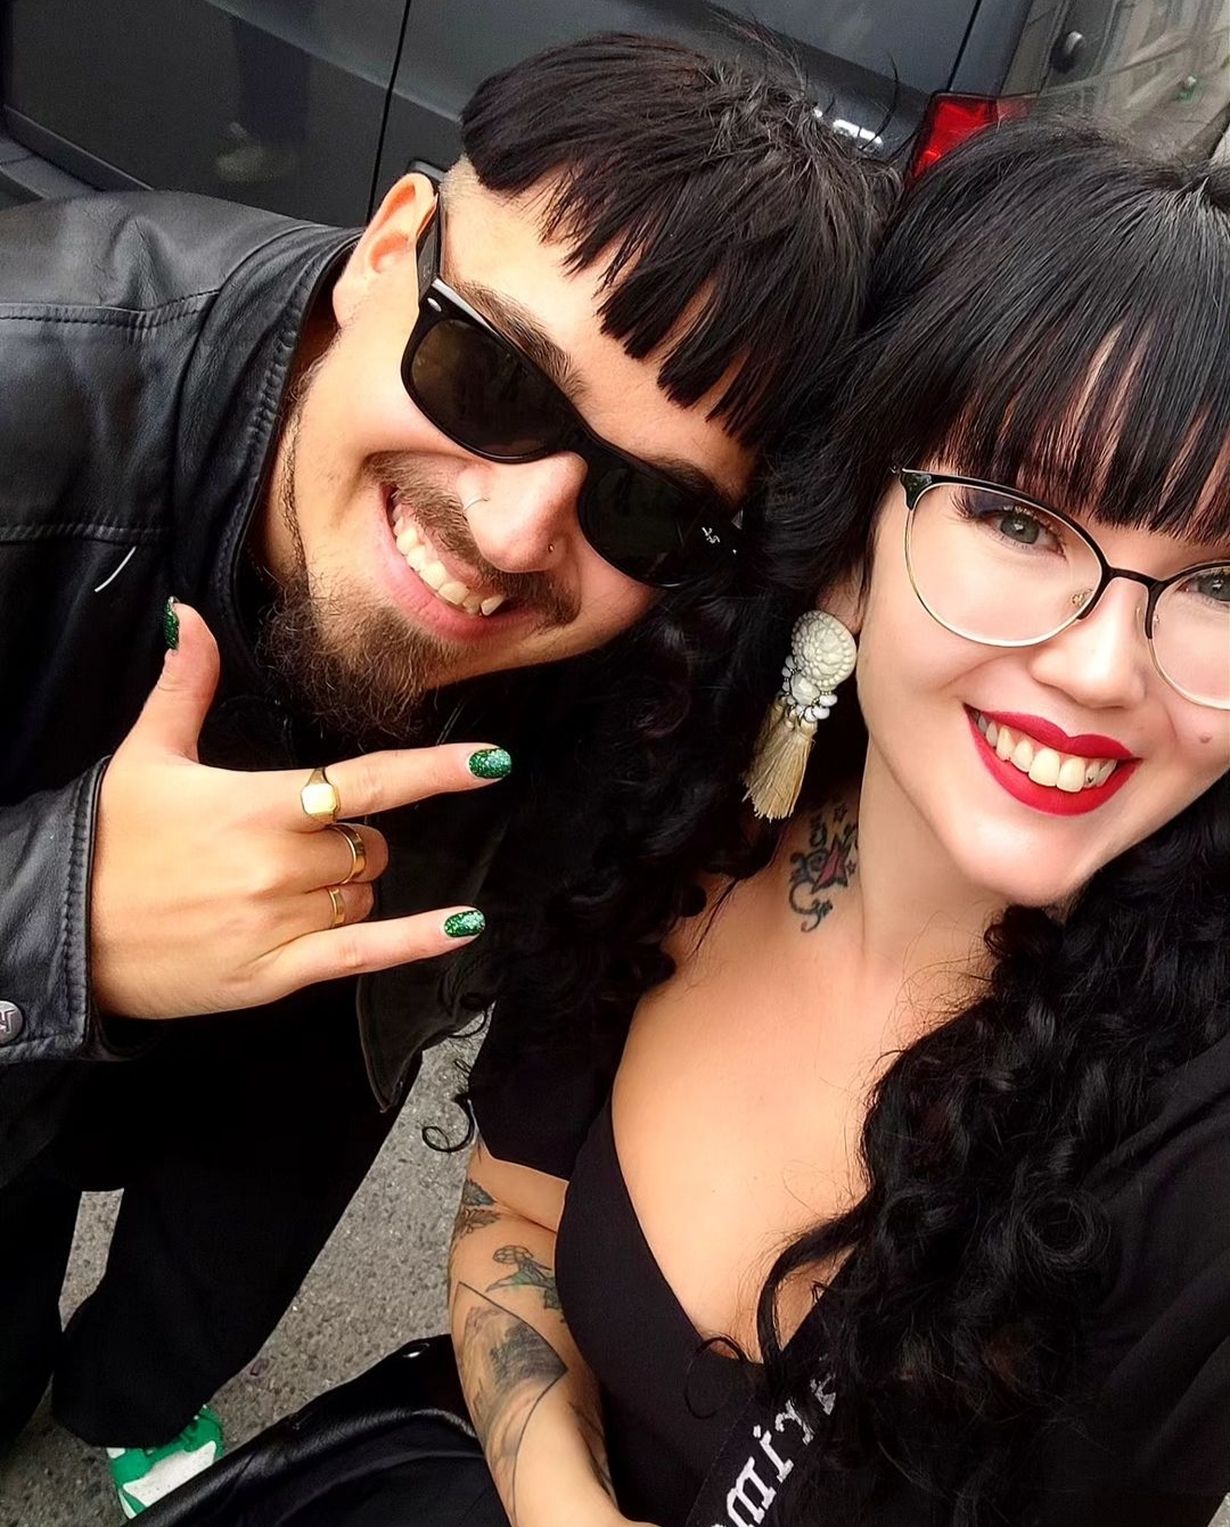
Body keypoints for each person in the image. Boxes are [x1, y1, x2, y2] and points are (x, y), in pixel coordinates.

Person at [0, 32, 891, 1519]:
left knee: (222, 1258)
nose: (518, 529)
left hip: (339, 1006)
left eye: (641, 505)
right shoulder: (33, 399)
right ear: (386, 248)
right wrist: (62, 920)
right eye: (491, 377)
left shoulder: (669, 614)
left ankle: (131, 1405)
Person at [451, 121, 1230, 1527]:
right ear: (849, 545)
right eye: (1016, 518)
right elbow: (513, 1214)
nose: (1103, 668)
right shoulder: (671, 824)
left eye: (1221, 587)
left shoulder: (1189, 1142)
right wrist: (558, 1495)